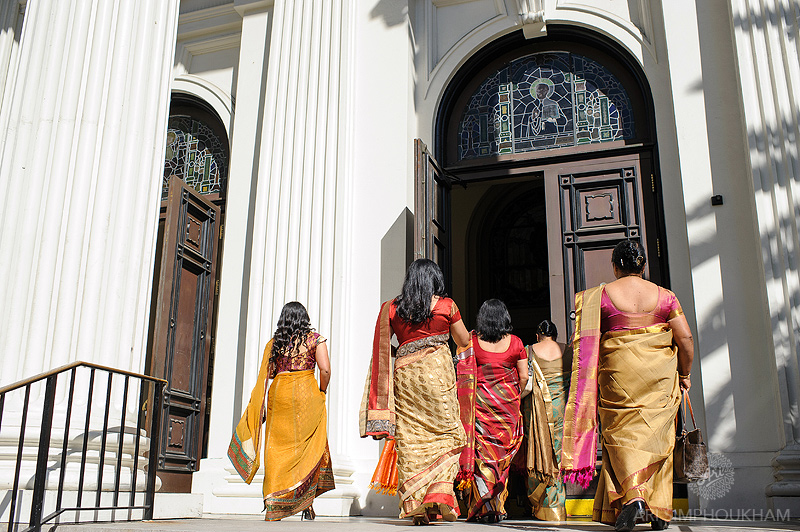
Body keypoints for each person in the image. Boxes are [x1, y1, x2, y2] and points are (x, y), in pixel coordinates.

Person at [561, 240, 694, 532]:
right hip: (659, 380)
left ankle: (633, 497)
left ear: (615, 266)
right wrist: (684, 374)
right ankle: (659, 510)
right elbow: (684, 339)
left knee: (621, 440)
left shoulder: (600, 296)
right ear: (644, 266)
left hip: (617, 379)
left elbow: (581, 345)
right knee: (657, 440)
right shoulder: (665, 297)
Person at [359, 258, 470, 525]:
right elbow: (464, 340)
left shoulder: (392, 308)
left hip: (406, 380)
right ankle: (438, 496)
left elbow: (384, 348)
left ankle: (416, 506)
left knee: (411, 441)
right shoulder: (446, 305)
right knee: (448, 435)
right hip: (438, 378)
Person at [228, 301, 334, 521]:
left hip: (280, 395)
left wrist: (262, 405)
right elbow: (325, 369)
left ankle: (273, 503)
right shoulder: (315, 340)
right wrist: (322, 391)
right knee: (308, 447)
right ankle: (306, 503)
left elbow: (267, 376)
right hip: (306, 395)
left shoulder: (275, 343)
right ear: (305, 318)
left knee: (276, 448)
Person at [455, 299, 529, 523]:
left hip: (480, 409)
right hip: (507, 411)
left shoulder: (472, 342)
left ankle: (484, 505)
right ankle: (495, 505)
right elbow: (524, 377)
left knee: (483, 458)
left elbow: (462, 372)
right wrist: (510, 395)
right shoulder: (516, 343)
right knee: (501, 461)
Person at [522, 319, 571, 521]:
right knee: (557, 453)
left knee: (537, 449)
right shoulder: (568, 350)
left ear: (537, 335)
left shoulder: (529, 350)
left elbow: (524, 379)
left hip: (535, 412)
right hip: (561, 410)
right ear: (556, 335)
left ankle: (541, 504)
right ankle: (557, 506)